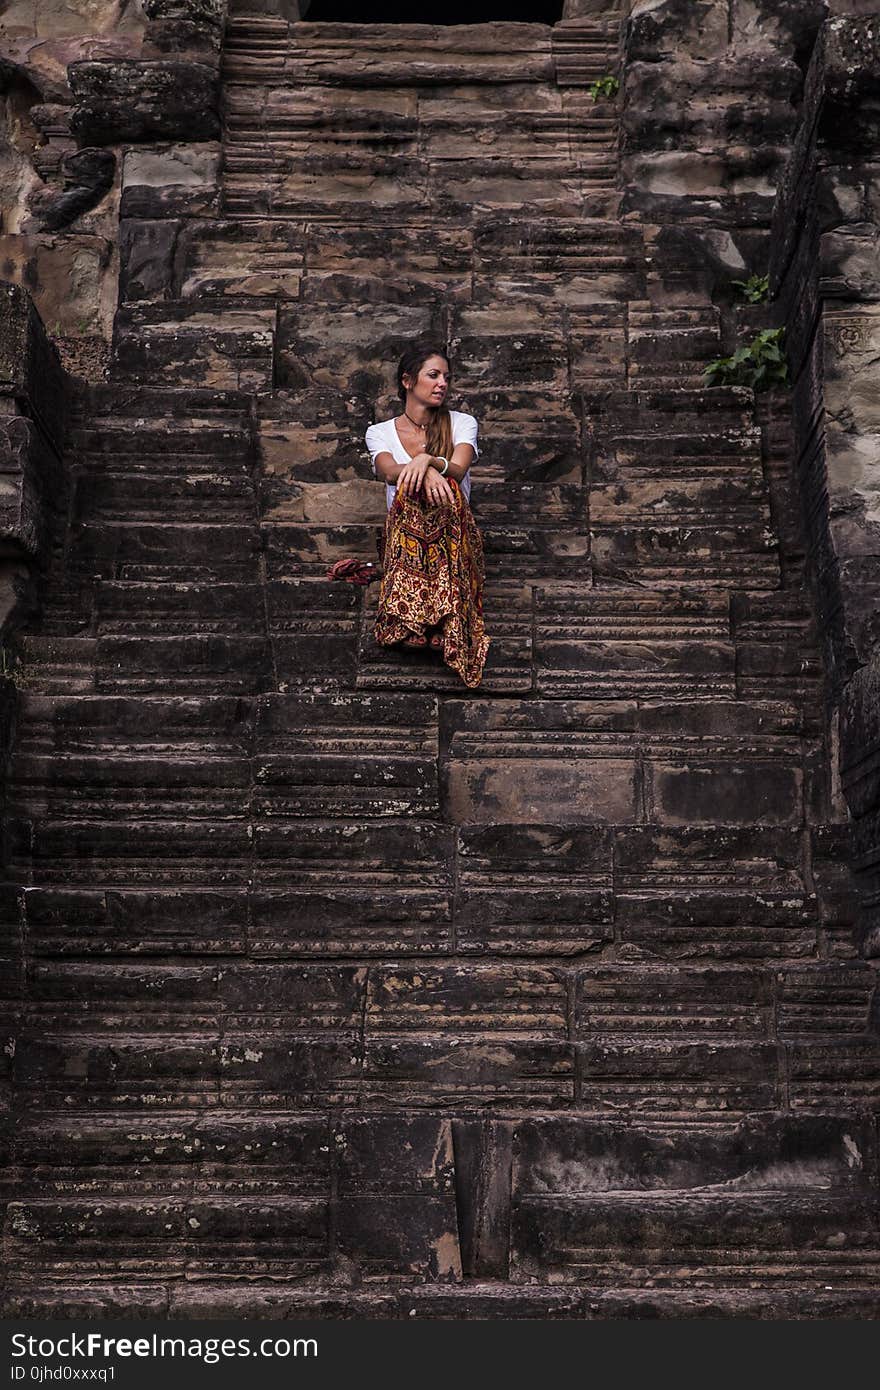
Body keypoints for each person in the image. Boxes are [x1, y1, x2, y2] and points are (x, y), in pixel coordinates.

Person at [365, 338, 490, 689]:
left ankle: (433, 618)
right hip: (407, 535)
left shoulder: (462, 423)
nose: (442, 384)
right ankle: (416, 617)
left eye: (446, 377)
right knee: (411, 490)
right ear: (408, 381)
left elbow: (460, 467)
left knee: (446, 489)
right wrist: (427, 468)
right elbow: (390, 471)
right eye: (433, 375)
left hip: (453, 529)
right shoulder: (379, 433)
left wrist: (427, 459)